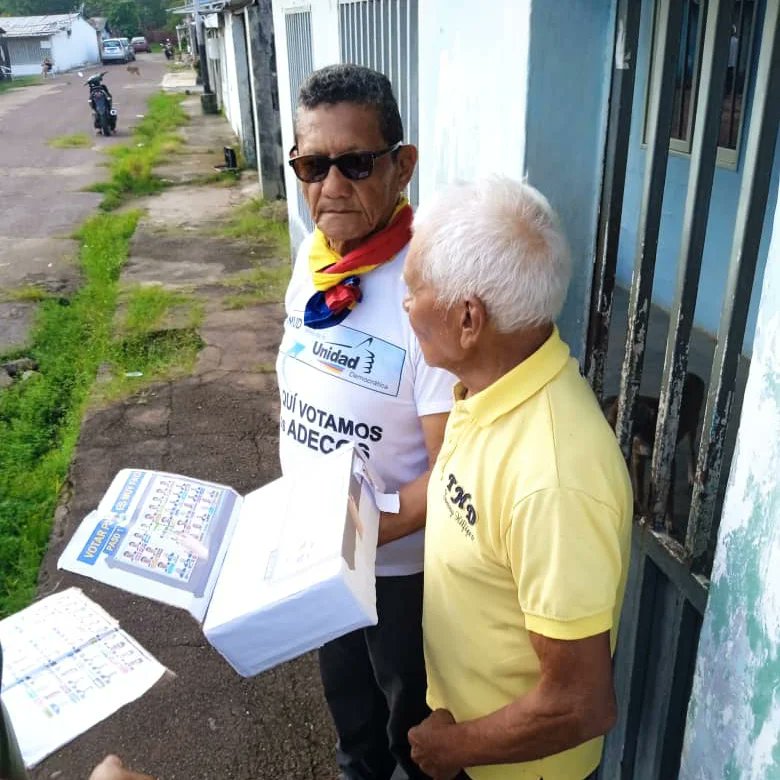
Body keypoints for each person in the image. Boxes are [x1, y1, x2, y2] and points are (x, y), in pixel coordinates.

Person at [403, 177, 633, 780]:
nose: (405, 306)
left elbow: (580, 703)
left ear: (469, 317)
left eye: (414, 289)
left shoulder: (554, 476)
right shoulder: (491, 389)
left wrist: (452, 750)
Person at [277, 64, 453, 779]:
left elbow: (450, 477)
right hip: (319, 559)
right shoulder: (314, 258)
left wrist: (358, 533)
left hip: (402, 578)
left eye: (355, 162)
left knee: (413, 737)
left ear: (402, 166)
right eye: (312, 165)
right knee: (352, 731)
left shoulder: (432, 289)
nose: (331, 186)